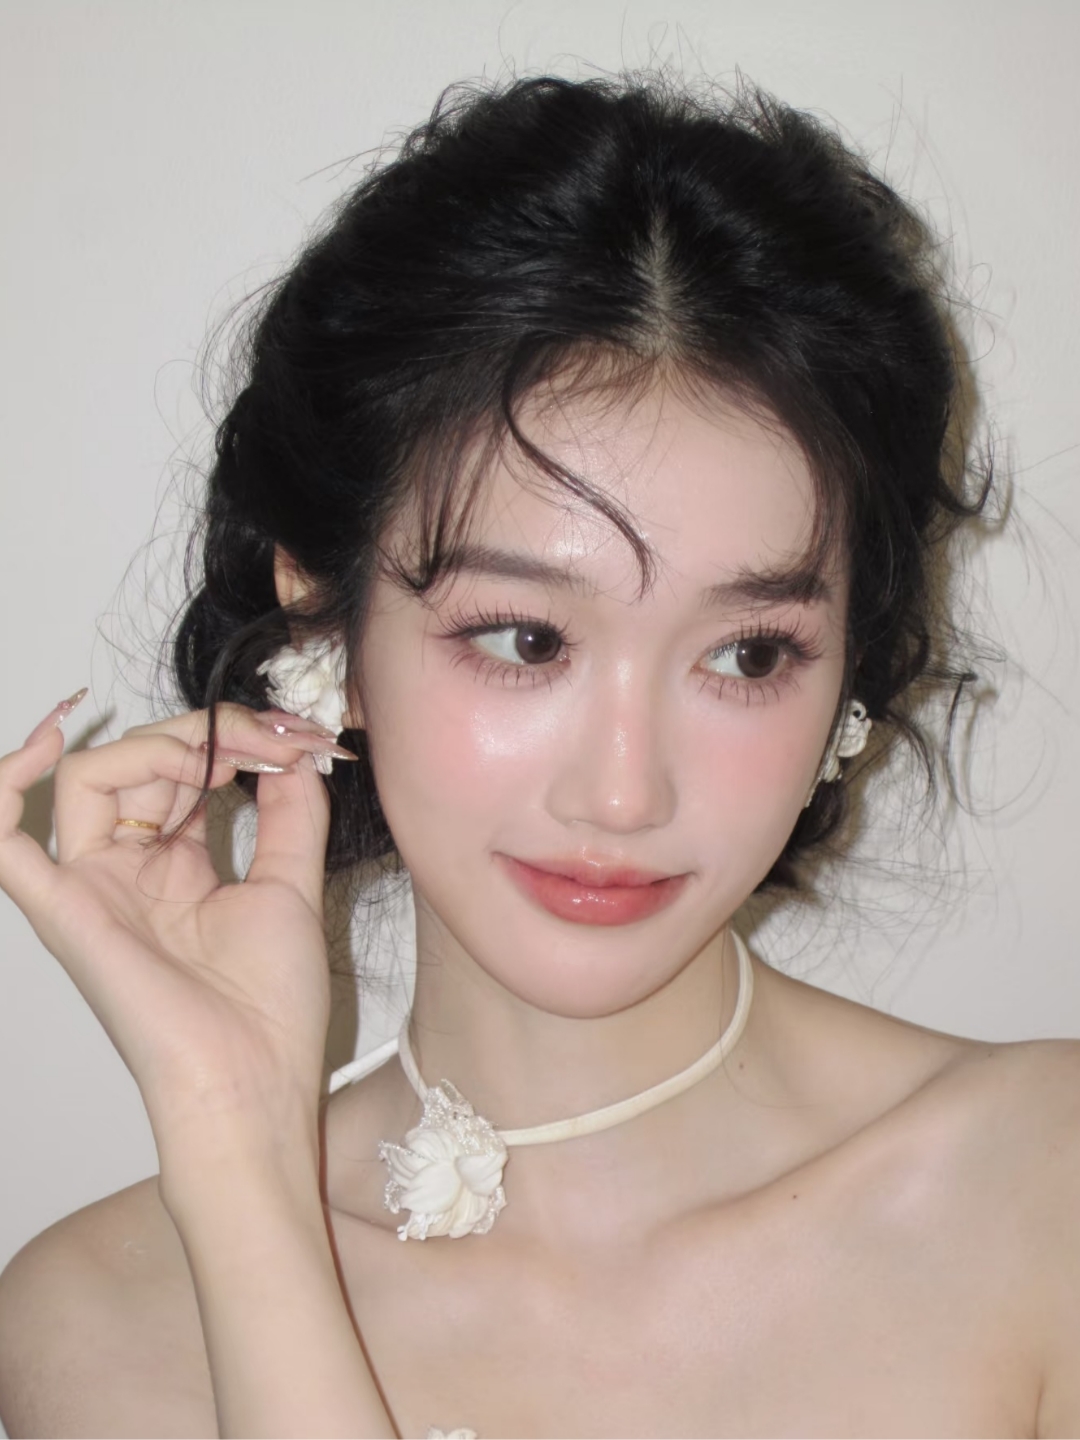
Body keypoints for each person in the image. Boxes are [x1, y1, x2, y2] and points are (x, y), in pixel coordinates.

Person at [0, 71, 1076, 1438]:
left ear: (845, 667)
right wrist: (233, 1144)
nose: (623, 792)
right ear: (324, 617)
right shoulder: (95, 1328)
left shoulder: (1045, 1197)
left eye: (747, 656)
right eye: (524, 639)